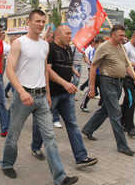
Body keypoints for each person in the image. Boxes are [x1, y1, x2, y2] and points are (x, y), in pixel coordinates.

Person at [1, 10, 78, 185]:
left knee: (50, 137)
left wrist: (48, 93)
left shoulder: (45, 45)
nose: (41, 24)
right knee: (13, 134)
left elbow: (44, 71)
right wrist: (21, 92)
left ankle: (60, 177)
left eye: (43, 21)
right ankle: (6, 163)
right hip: (23, 98)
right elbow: (10, 70)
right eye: (37, 21)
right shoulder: (19, 43)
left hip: (42, 97)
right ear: (29, 22)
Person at [31, 25, 98, 169]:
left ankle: (81, 157)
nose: (70, 36)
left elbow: (67, 66)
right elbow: (47, 70)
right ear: (58, 35)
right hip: (51, 94)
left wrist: (72, 75)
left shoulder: (68, 49)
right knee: (42, 122)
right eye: (67, 33)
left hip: (66, 95)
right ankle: (36, 146)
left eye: (70, 34)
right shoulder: (49, 48)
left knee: (72, 124)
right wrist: (64, 84)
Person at [81, 25, 135, 156]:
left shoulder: (122, 48)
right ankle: (123, 146)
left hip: (119, 83)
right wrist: (92, 88)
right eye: (120, 35)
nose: (123, 38)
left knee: (106, 109)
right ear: (113, 34)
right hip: (108, 82)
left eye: (124, 35)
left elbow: (127, 66)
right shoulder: (104, 47)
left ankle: (88, 129)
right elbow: (93, 67)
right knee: (116, 113)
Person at [80, 36, 105, 112]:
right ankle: (83, 105)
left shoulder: (103, 52)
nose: (101, 47)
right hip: (94, 74)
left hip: (102, 74)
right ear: (96, 44)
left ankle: (102, 104)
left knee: (103, 91)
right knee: (90, 91)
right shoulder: (93, 51)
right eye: (100, 45)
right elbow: (92, 61)